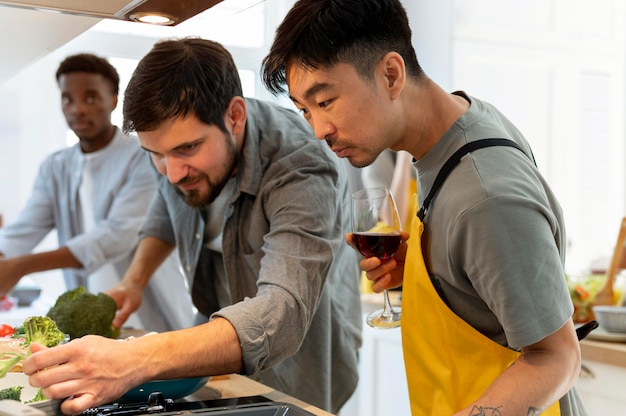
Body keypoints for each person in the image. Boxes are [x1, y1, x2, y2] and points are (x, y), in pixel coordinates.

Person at [261, 0, 586, 415]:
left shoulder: (486, 197)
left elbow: (557, 358)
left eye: (325, 102)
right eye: (304, 110)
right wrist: (428, 267)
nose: (318, 129)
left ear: (391, 75)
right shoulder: (458, 127)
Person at [24, 38, 362, 415]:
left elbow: (281, 314)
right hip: (214, 342)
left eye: (187, 150)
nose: (171, 173)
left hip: (303, 359)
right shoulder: (173, 160)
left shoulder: (300, 165)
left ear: (234, 117)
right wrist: (134, 282)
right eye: (156, 155)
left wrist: (134, 358)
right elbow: (164, 212)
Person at [0, 53, 191, 332]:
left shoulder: (144, 156)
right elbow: (25, 230)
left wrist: (21, 267)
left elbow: (115, 236)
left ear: (113, 100)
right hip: (90, 320)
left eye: (90, 97)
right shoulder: (55, 167)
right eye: (68, 99)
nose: (77, 108)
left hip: (151, 312)